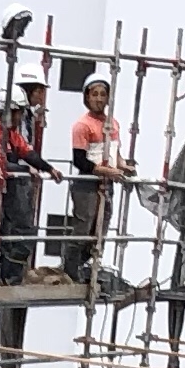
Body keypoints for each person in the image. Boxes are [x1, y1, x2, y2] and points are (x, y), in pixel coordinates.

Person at [0, 74, 49, 368]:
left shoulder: (10, 131)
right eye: (16, 113)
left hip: (3, 192)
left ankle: (8, 276)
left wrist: (46, 167)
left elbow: (25, 151)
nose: (19, 118)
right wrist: (22, 169)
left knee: (12, 238)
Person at [55, 71, 125, 276]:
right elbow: (80, 160)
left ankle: (86, 267)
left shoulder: (113, 124)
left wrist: (124, 165)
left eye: (103, 94)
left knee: (100, 229)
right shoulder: (82, 125)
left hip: (107, 184)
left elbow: (115, 153)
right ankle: (70, 271)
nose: (99, 99)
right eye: (94, 94)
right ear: (86, 97)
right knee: (83, 228)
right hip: (87, 184)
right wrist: (106, 171)